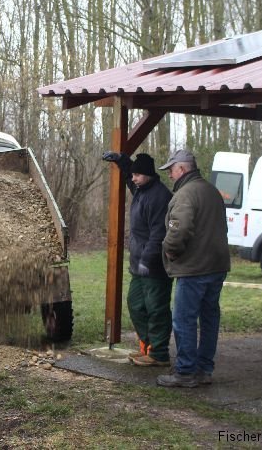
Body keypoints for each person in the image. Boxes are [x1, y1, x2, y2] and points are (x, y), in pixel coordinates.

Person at [155, 149, 230, 388]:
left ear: (182, 168)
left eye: (171, 170)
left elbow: (179, 228)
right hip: (216, 265)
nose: (169, 175)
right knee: (209, 318)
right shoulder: (211, 191)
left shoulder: (185, 194)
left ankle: (185, 371)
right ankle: (204, 369)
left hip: (194, 267)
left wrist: (170, 249)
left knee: (184, 319)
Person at [102, 151, 173, 367]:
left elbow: (158, 234)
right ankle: (148, 347)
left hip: (155, 267)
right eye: (133, 175)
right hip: (139, 266)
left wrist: (146, 260)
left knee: (156, 309)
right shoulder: (141, 189)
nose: (133, 179)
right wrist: (120, 160)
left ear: (148, 174)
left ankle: (159, 353)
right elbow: (128, 174)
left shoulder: (159, 197)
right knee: (135, 304)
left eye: (137, 175)